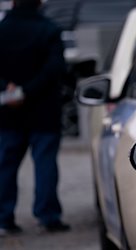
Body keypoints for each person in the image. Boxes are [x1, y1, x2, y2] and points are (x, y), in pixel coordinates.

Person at [0, 0, 70, 236]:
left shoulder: (2, 29)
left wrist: (9, 90)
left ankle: (3, 218)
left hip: (8, 110)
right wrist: (28, 91)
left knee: (6, 166)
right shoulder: (49, 29)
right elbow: (55, 68)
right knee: (45, 164)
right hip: (44, 111)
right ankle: (48, 216)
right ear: (39, 2)